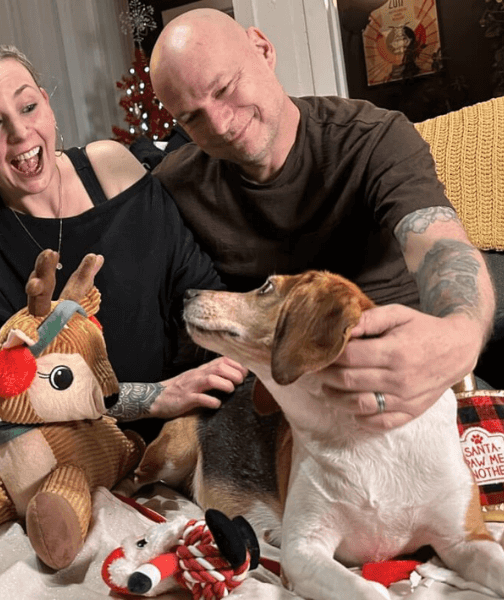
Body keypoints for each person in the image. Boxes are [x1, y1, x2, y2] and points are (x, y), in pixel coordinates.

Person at [0, 36, 247, 510]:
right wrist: (152, 398)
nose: (21, 134)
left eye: (28, 106)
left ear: (47, 102)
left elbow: (195, 283)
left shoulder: (112, 167)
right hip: (22, 409)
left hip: (150, 395)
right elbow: (6, 383)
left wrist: (242, 356)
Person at [148, 9, 496, 431]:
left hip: (404, 378)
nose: (220, 124)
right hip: (283, 406)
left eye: (224, 88)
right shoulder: (173, 184)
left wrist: (459, 336)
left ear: (262, 49)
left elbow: (441, 248)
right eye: (192, 118)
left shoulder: (374, 137)